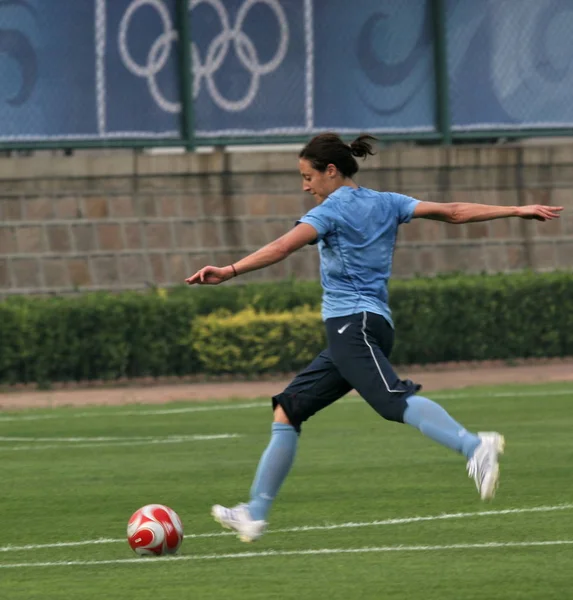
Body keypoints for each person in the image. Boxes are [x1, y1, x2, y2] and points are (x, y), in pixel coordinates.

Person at [185, 133, 563, 543]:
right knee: (289, 408)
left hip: (353, 326)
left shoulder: (330, 211)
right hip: (370, 328)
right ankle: (254, 513)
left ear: (331, 171)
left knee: (390, 401)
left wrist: (229, 270)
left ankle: (474, 446)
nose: (304, 185)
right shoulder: (387, 201)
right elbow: (453, 211)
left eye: (307, 176)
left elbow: (281, 247)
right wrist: (514, 210)